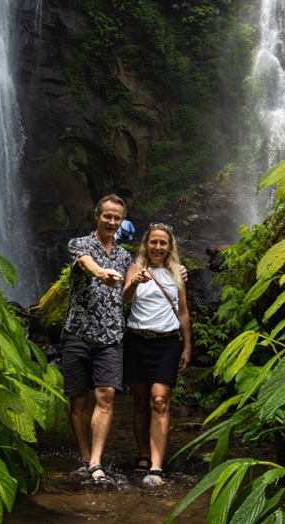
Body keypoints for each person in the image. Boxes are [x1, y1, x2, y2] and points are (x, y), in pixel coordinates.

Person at [62, 194, 132, 484]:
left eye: (117, 218)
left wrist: (177, 271)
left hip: (111, 335)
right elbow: (86, 263)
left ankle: (95, 462)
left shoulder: (125, 257)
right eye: (108, 216)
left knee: (106, 396)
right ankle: (83, 454)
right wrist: (102, 273)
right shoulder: (80, 244)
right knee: (77, 401)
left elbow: (139, 279)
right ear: (97, 215)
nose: (112, 222)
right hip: (78, 332)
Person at [121, 222, 192, 487]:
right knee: (140, 402)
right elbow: (126, 299)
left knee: (160, 400)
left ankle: (157, 465)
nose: (158, 247)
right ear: (146, 245)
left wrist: (187, 346)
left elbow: (183, 311)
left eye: (163, 243)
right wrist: (135, 283)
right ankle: (142, 455)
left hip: (166, 344)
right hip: (138, 341)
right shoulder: (134, 270)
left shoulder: (177, 274)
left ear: (169, 246)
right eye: (154, 242)